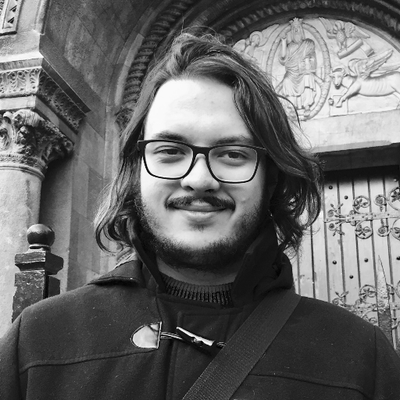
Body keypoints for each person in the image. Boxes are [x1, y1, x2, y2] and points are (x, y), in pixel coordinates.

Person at [1, 32, 399, 400]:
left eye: (233, 154)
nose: (199, 179)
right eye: (170, 151)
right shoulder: (37, 344)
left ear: (272, 177)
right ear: (135, 170)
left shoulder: (363, 361)